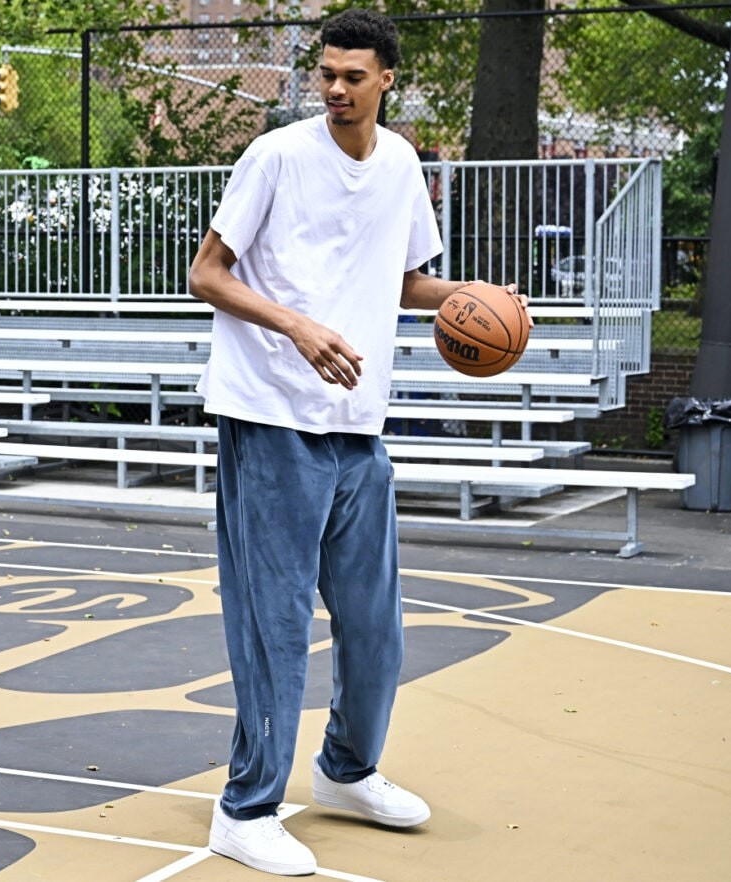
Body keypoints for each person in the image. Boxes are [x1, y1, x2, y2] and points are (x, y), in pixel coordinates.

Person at [188, 10, 522, 877]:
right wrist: (297, 327)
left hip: (356, 426)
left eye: (352, 76)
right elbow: (207, 273)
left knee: (377, 629)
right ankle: (245, 808)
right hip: (270, 418)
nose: (334, 88)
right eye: (325, 73)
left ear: (386, 81)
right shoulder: (277, 157)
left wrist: (474, 296)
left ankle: (346, 770)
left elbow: (403, 278)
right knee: (275, 626)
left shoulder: (403, 162)